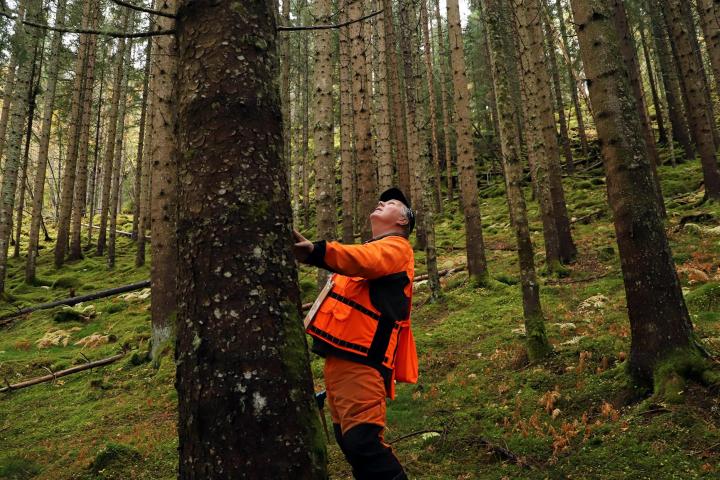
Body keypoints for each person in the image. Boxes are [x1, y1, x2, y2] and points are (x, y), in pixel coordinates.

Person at [293, 188, 418, 480]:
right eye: (381, 200)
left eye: (391, 203)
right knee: (352, 447)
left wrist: (316, 251)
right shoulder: (373, 251)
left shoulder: (396, 248)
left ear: (403, 221)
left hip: (362, 362)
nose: (381, 203)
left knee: (363, 444)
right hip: (341, 362)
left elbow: (364, 260)